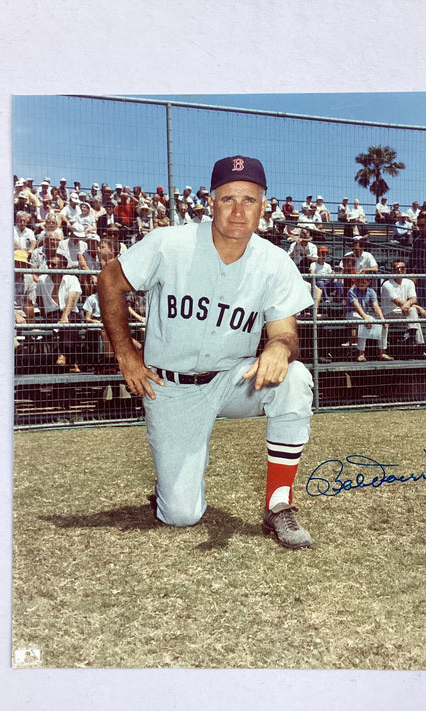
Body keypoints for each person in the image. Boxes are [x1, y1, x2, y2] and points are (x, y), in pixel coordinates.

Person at [98, 155, 315, 549]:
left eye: (249, 200)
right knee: (181, 516)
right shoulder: (170, 242)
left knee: (295, 377)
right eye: (228, 198)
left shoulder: (275, 262)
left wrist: (279, 349)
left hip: (233, 378)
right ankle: (171, 487)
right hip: (172, 385)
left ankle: (278, 505)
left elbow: (285, 334)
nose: (238, 210)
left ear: (263, 206)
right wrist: (126, 354)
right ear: (210, 202)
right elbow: (109, 280)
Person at [36, 253, 83, 372]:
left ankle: (63, 355)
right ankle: (72, 361)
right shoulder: (42, 280)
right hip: (51, 314)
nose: (49, 266)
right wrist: (46, 316)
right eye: (48, 264)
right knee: (66, 325)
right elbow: (40, 300)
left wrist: (64, 316)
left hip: (70, 312)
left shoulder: (72, 279)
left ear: (63, 267)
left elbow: (72, 298)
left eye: (53, 264)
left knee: (69, 323)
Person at [380, 258, 426, 354]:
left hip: (405, 313)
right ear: (391, 270)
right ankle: (420, 347)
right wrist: (418, 307)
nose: (399, 270)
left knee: (413, 315)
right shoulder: (387, 284)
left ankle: (413, 341)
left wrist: (408, 305)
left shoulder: (409, 282)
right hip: (389, 313)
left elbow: (413, 299)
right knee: (414, 313)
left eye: (402, 268)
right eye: (396, 268)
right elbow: (397, 302)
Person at [345, 277, 393, 362]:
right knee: (364, 323)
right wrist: (365, 318)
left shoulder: (371, 291)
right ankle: (361, 354)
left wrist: (382, 319)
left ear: (369, 282)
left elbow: (376, 306)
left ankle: (382, 353)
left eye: (363, 282)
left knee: (383, 325)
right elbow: (357, 307)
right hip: (351, 314)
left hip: (364, 314)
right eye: (359, 281)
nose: (361, 283)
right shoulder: (351, 291)